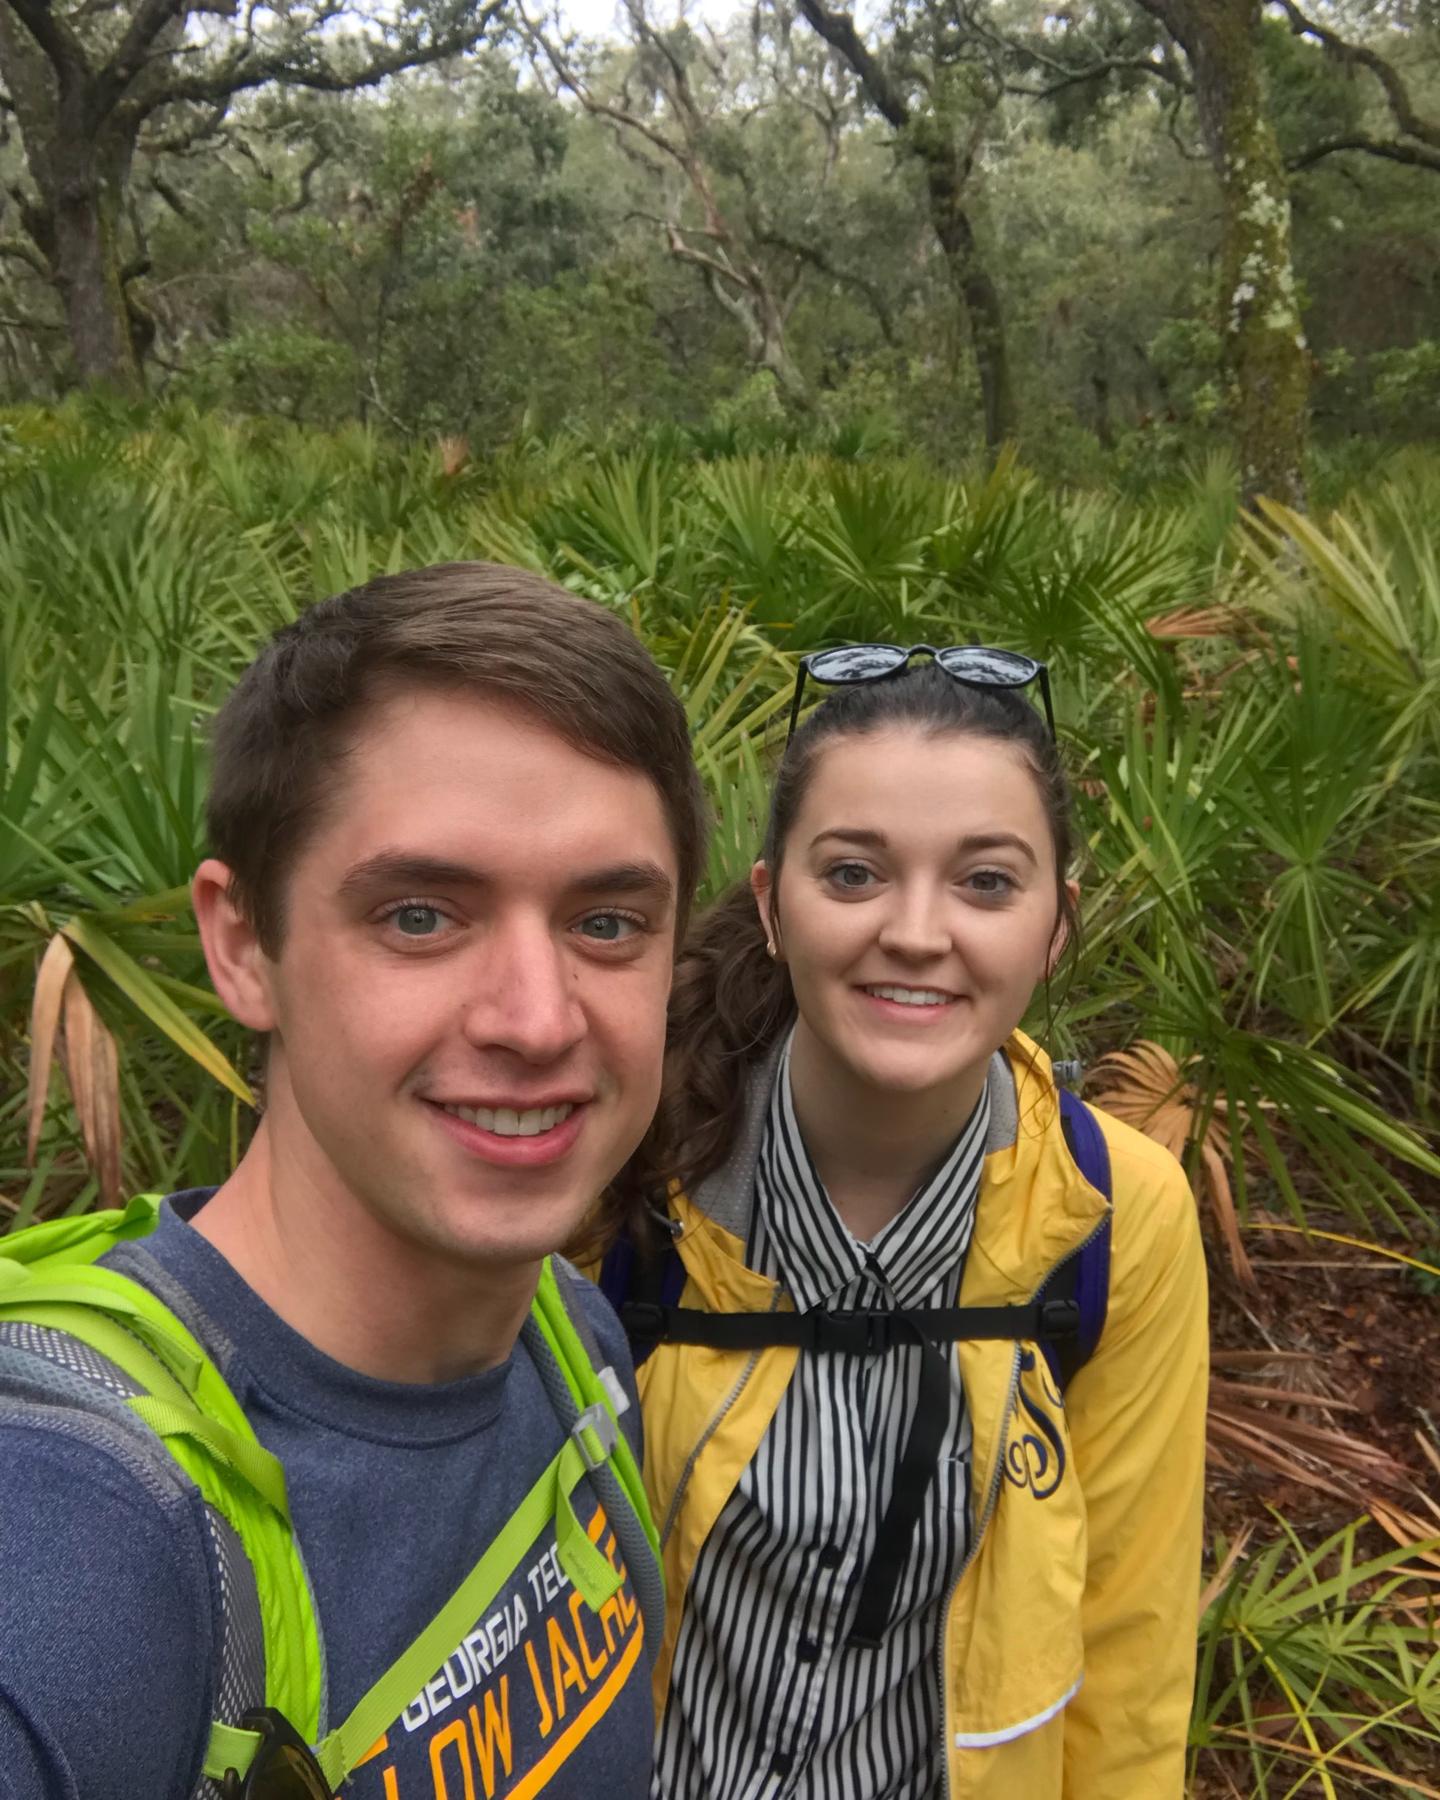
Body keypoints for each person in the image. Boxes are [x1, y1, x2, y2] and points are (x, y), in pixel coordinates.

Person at [0, 564, 708, 1800]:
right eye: (422, 917)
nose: (539, 1021)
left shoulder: (567, 1338)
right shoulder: (87, 1530)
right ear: (242, 946)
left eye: (607, 923)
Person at [605, 647, 1209, 1800]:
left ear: (1055, 926)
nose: (919, 932)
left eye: (986, 882)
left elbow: (1132, 1645)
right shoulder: (636, 1181)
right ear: (773, 901)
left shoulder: (1115, 1217)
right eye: (854, 874)